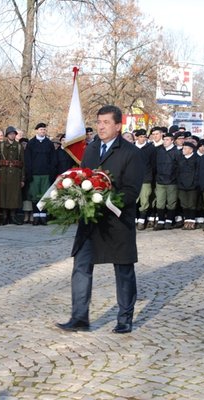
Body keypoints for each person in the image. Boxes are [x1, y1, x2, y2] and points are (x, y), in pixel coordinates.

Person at [56, 105, 144, 334]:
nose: (101, 126)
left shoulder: (131, 153)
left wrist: (104, 198)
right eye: (99, 122)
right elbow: (82, 177)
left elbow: (132, 191)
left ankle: (125, 319)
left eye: (106, 122)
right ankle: (79, 318)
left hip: (117, 221)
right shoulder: (91, 149)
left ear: (118, 125)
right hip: (91, 221)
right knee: (81, 265)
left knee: (123, 269)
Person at [0, 126, 25, 225]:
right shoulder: (0, 146)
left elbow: (23, 164)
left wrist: (22, 178)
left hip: (15, 174)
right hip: (3, 173)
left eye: (14, 134)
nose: (12, 135)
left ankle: (13, 216)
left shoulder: (19, 146)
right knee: (3, 195)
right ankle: (4, 216)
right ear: (7, 135)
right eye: (10, 134)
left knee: (14, 196)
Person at [25, 122, 57, 225]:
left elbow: (53, 159)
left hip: (46, 174)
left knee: (44, 196)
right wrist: (28, 173)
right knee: (34, 195)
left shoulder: (49, 143)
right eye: (41, 129)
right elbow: (28, 159)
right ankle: (35, 216)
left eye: (44, 130)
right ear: (36, 131)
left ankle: (43, 216)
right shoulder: (31, 143)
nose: (42, 131)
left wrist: (51, 172)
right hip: (34, 173)